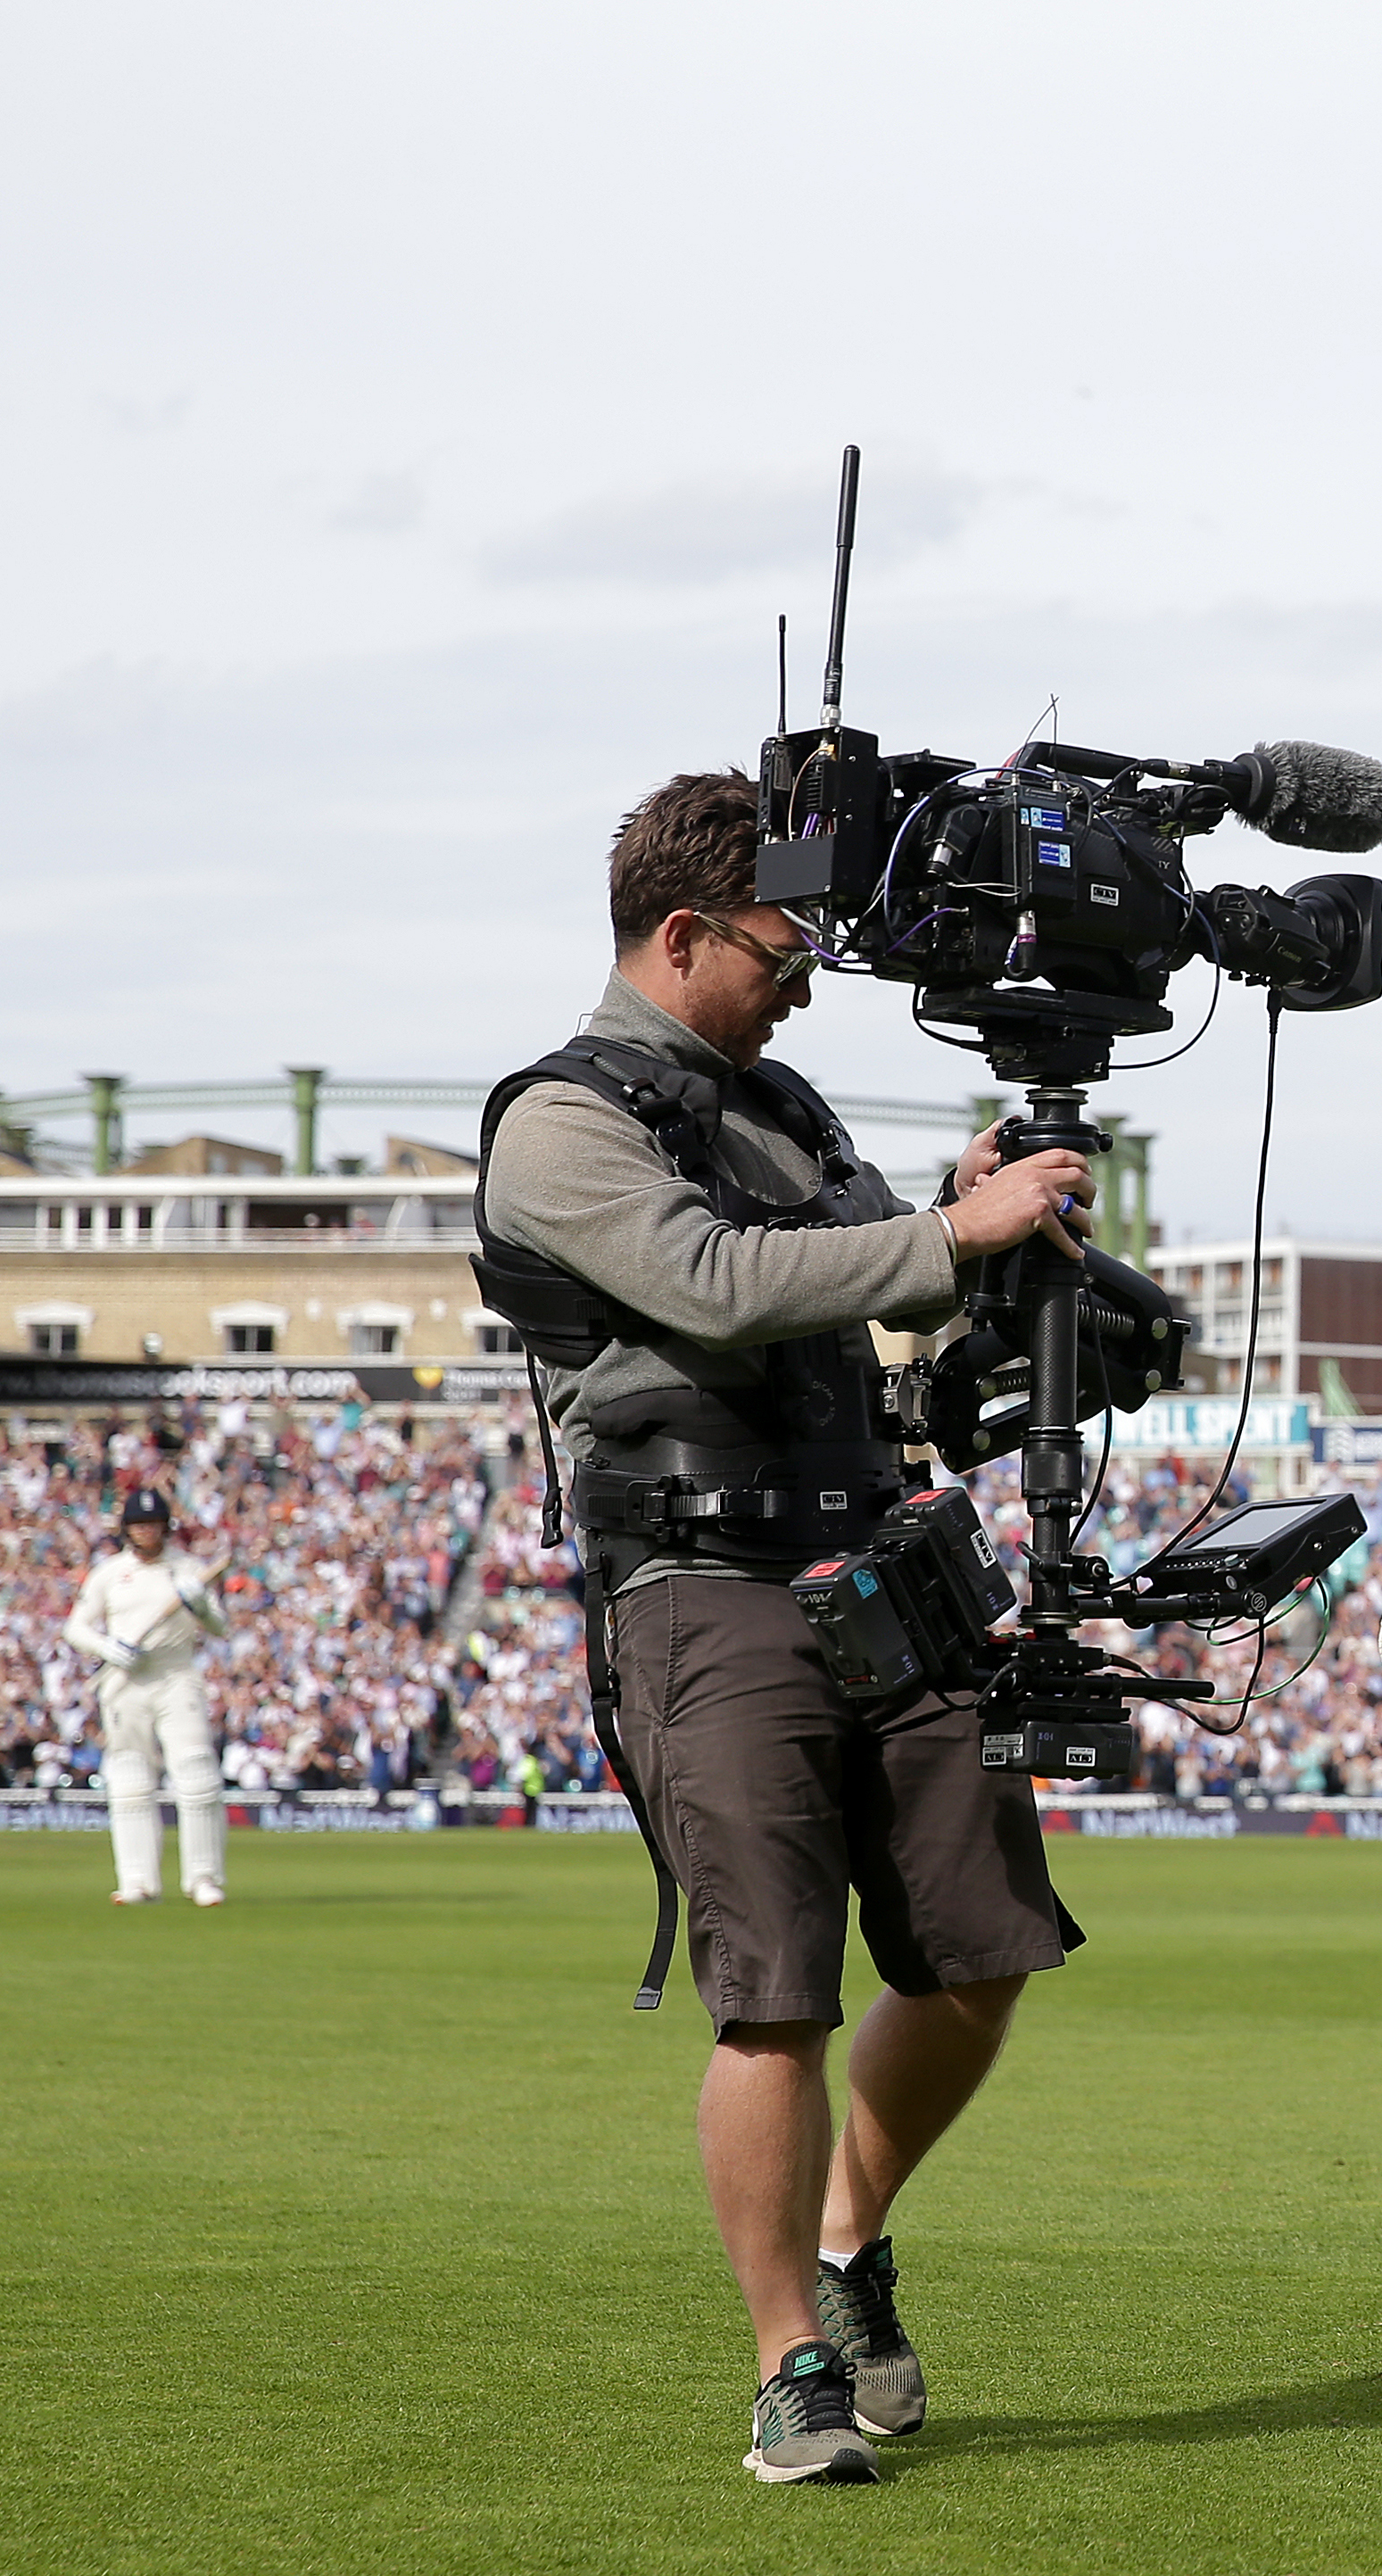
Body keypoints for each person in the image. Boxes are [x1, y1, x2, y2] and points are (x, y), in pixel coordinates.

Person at [476, 771, 1098, 2487]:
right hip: (703, 1583)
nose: (808, 977)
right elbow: (712, 1283)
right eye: (782, 944)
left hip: (878, 1557)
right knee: (774, 1997)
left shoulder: (791, 1101)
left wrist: (961, 1210)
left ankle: (843, 2235)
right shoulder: (561, 1117)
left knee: (985, 1949)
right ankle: (788, 2362)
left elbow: (863, 1274)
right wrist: (940, 1230)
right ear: (681, 935)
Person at [62, 1492, 230, 1906]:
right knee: (130, 1781)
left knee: (196, 1775)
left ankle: (203, 1879)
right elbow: (75, 1628)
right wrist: (108, 1648)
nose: (147, 1532)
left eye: (153, 1525)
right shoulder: (110, 1572)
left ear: (165, 1527)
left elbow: (220, 1627)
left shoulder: (188, 1570)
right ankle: (137, 1882)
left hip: (176, 1676)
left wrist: (201, 1608)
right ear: (128, 1530)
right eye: (140, 1525)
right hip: (126, 1683)